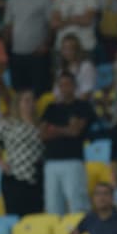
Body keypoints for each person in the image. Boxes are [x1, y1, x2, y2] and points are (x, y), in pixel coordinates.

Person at [40, 71, 97, 216]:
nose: (65, 88)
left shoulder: (83, 106)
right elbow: (42, 134)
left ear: (74, 86)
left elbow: (76, 132)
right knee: (52, 205)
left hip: (73, 160)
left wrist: (54, 129)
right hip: (51, 161)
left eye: (68, 85)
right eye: (61, 85)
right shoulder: (51, 108)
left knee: (77, 202)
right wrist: (66, 129)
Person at [0, 90, 46, 217]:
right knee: (15, 217)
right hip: (14, 177)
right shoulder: (9, 123)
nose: (30, 104)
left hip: (35, 178)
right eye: (26, 101)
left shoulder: (41, 125)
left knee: (35, 217)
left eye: (32, 100)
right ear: (18, 104)